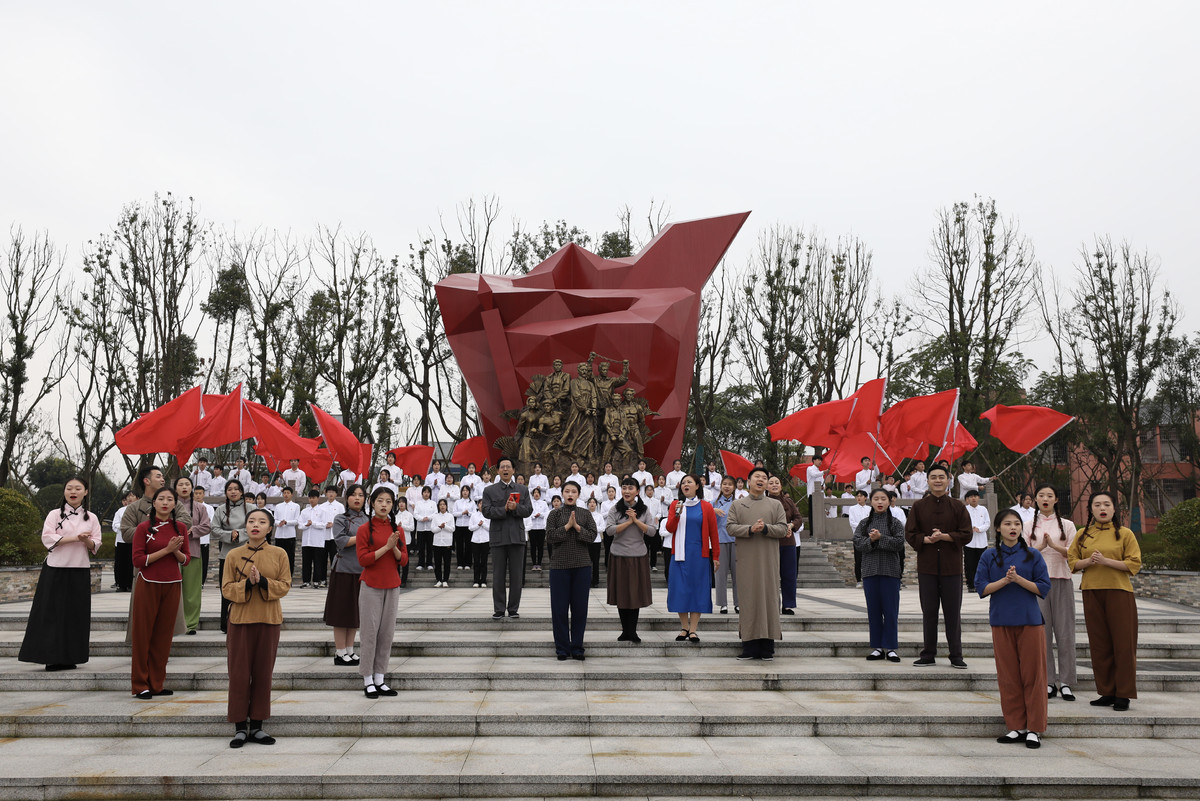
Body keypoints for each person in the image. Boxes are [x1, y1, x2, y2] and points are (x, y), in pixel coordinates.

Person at [976, 508, 1051, 749]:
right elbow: (982, 588)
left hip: (1030, 621)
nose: (1012, 528)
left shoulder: (1032, 555)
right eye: (1007, 524)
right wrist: (1005, 581)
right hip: (1001, 621)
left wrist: (1018, 580)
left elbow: (1043, 588)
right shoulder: (989, 556)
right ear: (998, 528)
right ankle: (1015, 726)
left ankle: (1034, 728)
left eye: (1017, 524)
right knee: (1008, 677)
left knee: (1034, 676)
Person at [223, 507, 291, 748]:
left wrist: (262, 581)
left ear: (270, 528)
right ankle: (240, 726)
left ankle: (259, 726)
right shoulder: (233, 555)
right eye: (251, 520)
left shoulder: (279, 553)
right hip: (240, 620)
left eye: (262, 522)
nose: (256, 525)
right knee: (239, 674)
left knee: (263, 673)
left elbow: (285, 585)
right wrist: (247, 586)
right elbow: (226, 589)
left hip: (268, 619)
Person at [19, 477, 102, 671]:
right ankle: (51, 657)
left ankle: (70, 656)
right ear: (64, 491)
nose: (73, 491)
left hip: (79, 570)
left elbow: (96, 544)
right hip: (55, 569)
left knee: (75, 615)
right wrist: (75, 538)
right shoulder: (55, 514)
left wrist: (86, 541)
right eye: (69, 488)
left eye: (78, 488)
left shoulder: (92, 518)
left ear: (86, 492)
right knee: (51, 614)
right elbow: (47, 537)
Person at [1068, 491, 1141, 711]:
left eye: (1106, 504)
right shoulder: (1083, 534)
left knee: (1123, 644)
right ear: (1090, 509)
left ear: (1114, 509)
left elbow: (1134, 565)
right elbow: (1072, 561)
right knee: (1099, 644)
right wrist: (1088, 561)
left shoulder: (1125, 534)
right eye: (1097, 504)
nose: (1102, 508)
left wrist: (1106, 561)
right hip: (1092, 592)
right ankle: (1107, 691)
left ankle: (1123, 694)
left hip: (1119, 592)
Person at [905, 464, 972, 668]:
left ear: (948, 480)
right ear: (927, 480)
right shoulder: (918, 506)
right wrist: (926, 540)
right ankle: (928, 653)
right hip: (927, 567)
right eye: (933, 477)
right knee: (929, 612)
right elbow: (910, 533)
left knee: (953, 612)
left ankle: (956, 654)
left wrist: (946, 537)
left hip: (952, 568)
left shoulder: (958, 506)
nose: (937, 480)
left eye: (941, 477)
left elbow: (967, 534)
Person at [130, 487, 190, 698]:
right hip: (148, 583)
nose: (165, 502)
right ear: (153, 503)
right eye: (161, 499)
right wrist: (167, 550)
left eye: (170, 499)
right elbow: (138, 561)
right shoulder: (143, 528)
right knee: (143, 635)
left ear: (175, 504)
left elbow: (186, 559)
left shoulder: (180, 527)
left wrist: (176, 552)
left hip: (173, 583)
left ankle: (156, 683)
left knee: (163, 637)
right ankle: (140, 685)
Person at [726, 467, 788, 660]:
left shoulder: (775, 505)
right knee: (749, 600)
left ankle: (768, 647)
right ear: (748, 481)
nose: (761, 480)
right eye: (757, 477)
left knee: (769, 599)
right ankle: (750, 647)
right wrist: (750, 529)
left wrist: (766, 528)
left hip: (769, 560)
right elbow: (730, 527)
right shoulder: (738, 504)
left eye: (764, 478)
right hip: (746, 560)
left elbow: (783, 528)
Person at [1026, 483, 1078, 702]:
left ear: (1056, 500)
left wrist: (1054, 546)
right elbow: (1024, 554)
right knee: (1042, 634)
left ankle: (1066, 682)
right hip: (1037, 584)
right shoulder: (1028, 524)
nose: (1045, 498)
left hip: (1062, 580)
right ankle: (1048, 681)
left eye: (1050, 495)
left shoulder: (1067, 524)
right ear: (1036, 499)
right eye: (1041, 495)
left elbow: (1074, 553)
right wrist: (1040, 548)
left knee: (1065, 632)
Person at [356, 487, 407, 698]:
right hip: (371, 585)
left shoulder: (397, 530)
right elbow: (363, 560)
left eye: (388, 501)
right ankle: (367, 678)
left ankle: (380, 677)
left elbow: (403, 560)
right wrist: (386, 547)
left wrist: (393, 546)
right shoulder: (364, 530)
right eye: (380, 501)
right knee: (370, 632)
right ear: (372, 502)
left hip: (392, 585)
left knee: (386, 633)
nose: (384, 505)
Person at [664, 475, 720, 643]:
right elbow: (669, 528)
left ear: (697, 486)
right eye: (684, 482)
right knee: (681, 589)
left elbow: (713, 533)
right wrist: (676, 514)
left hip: (699, 555)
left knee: (697, 590)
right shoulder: (676, 504)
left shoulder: (706, 506)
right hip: (679, 554)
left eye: (689, 482)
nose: (685, 484)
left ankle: (693, 629)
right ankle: (684, 627)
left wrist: (715, 556)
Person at [853, 489, 906, 663]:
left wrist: (881, 537)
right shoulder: (864, 523)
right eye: (876, 499)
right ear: (871, 502)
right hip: (870, 571)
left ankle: (891, 647)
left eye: (883, 498)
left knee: (890, 611)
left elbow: (899, 544)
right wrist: (872, 541)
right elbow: (858, 543)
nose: (880, 502)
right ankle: (877, 647)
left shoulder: (896, 523)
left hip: (890, 572)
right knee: (874, 611)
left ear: (889, 501)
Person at [546, 481, 596, 660]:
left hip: (582, 566)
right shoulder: (554, 514)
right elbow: (550, 537)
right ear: (562, 493)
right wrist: (567, 527)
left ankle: (576, 647)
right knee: (559, 609)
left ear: (578, 494)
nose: (570, 494)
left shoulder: (585, 514)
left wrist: (577, 527)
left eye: (573, 491)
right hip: (559, 567)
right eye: (567, 491)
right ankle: (561, 648)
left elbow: (592, 536)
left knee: (579, 609)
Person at [482, 456, 532, 618]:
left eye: (508, 467)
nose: (505, 469)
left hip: (517, 538)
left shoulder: (522, 490)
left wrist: (516, 507)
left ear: (513, 470)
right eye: (502, 467)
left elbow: (528, 510)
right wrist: (503, 509)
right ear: (497, 471)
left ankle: (513, 609)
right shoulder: (489, 490)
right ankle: (498, 609)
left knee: (517, 576)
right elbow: (486, 511)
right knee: (498, 576)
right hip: (498, 538)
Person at [606, 476, 654, 643]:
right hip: (619, 555)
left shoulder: (645, 509)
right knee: (622, 593)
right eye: (624, 488)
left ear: (637, 491)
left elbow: (652, 531)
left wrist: (636, 521)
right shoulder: (615, 509)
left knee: (634, 593)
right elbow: (610, 531)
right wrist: (628, 522)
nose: (626, 491)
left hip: (638, 556)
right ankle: (625, 631)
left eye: (630, 488)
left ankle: (632, 631)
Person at [325, 484, 367, 667]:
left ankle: (350, 649)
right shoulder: (340, 518)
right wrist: (364, 536)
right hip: (343, 570)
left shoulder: (368, 519)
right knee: (341, 612)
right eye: (353, 495)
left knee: (354, 613)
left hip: (362, 570)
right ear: (347, 498)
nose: (357, 498)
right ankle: (339, 651)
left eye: (361, 495)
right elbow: (341, 541)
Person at [211, 479, 251, 633]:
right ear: (226, 492)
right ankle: (226, 623)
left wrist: (239, 534)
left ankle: (247, 620)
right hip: (226, 555)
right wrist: (229, 535)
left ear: (241, 491)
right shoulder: (220, 509)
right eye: (230, 489)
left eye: (236, 489)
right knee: (227, 590)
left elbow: (256, 526)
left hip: (248, 553)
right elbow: (214, 529)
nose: (233, 492)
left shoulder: (251, 508)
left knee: (247, 587)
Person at [175, 476, 210, 635]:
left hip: (193, 552)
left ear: (192, 488)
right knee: (173, 590)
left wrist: (192, 531)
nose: (184, 487)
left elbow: (206, 526)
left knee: (192, 591)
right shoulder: (169, 505)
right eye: (180, 484)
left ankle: (190, 624)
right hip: (171, 554)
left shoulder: (199, 507)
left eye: (187, 484)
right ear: (175, 488)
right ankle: (173, 622)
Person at [767, 475, 802, 616]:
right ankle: (772, 604)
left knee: (789, 575)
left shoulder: (788, 502)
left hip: (788, 543)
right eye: (771, 483)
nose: (774, 485)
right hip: (770, 543)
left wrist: (792, 525)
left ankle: (788, 605)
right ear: (766, 486)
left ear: (781, 486)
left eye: (777, 482)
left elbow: (798, 518)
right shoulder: (764, 502)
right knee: (771, 576)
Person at [713, 477, 739, 615]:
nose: (727, 487)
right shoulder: (714, 503)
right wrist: (713, 511)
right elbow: (705, 517)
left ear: (734, 487)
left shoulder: (738, 503)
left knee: (738, 574)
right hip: (720, 540)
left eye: (730, 484)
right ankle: (722, 604)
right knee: (720, 574)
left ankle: (738, 603)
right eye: (724, 484)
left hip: (736, 541)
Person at [964, 489, 991, 593]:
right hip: (969, 542)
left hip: (981, 541)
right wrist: (969, 528)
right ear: (967, 499)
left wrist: (979, 529)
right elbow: (962, 523)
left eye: (975, 496)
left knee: (982, 564)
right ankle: (970, 585)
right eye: (971, 497)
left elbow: (987, 523)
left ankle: (982, 583)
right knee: (969, 564)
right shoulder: (965, 509)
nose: (973, 498)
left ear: (979, 498)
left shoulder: (983, 509)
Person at [299, 489, 327, 588]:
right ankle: (306, 581)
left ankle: (316, 581)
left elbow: (324, 524)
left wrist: (313, 523)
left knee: (317, 562)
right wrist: (306, 525)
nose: (312, 500)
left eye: (314, 498)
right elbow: (300, 525)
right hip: (306, 541)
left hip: (317, 541)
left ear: (318, 498)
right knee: (306, 562)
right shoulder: (304, 511)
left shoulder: (322, 511)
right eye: (310, 498)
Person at [111, 490, 137, 592]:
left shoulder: (138, 510)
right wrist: (124, 528)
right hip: (121, 540)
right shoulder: (120, 511)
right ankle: (121, 584)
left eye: (133, 496)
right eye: (128, 496)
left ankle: (130, 584)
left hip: (134, 540)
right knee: (120, 563)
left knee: (131, 563)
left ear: (137, 498)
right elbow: (115, 524)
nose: (130, 498)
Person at [273, 486, 301, 578]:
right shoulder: (278, 506)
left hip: (290, 535)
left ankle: (289, 577)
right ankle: (278, 576)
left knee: (290, 557)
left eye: (288, 493)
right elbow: (274, 520)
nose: (286, 495)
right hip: (279, 535)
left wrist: (287, 522)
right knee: (278, 557)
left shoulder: (296, 506)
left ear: (291, 495)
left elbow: (297, 521)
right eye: (284, 493)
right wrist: (279, 523)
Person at [845, 490, 871, 588]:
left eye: (861, 496)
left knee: (868, 559)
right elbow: (852, 522)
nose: (859, 498)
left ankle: (867, 579)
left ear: (865, 497)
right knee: (858, 559)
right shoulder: (852, 509)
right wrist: (863, 526)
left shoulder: (869, 509)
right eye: (857, 496)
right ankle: (859, 580)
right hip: (858, 537)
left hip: (868, 537)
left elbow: (871, 521)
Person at [431, 498, 455, 586]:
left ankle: (445, 580)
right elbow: (433, 529)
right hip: (437, 542)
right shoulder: (435, 516)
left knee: (447, 563)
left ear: (446, 506)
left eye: (444, 504)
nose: (442, 506)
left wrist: (445, 526)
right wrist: (440, 527)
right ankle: (438, 580)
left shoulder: (450, 516)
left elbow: (452, 529)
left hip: (447, 542)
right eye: (440, 504)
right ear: (438, 506)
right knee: (437, 563)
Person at [412, 486, 436, 572]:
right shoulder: (418, 503)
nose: (426, 494)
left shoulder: (433, 503)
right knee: (421, 547)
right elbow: (415, 514)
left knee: (430, 547)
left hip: (430, 528)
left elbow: (435, 513)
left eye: (428, 492)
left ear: (430, 494)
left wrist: (428, 518)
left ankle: (429, 563)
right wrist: (422, 518)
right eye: (425, 492)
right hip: (421, 528)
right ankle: (420, 563)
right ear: (422, 493)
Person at [453, 485, 475, 572]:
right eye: (463, 490)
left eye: (466, 490)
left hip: (468, 525)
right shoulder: (457, 502)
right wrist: (462, 513)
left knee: (468, 545)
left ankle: (468, 563)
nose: (465, 492)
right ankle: (460, 563)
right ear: (461, 492)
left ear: (469, 492)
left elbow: (474, 513)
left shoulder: (472, 502)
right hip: (459, 525)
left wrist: (468, 513)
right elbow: (454, 513)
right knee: (459, 545)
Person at [469, 500, 490, 588]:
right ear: (478, 505)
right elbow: (470, 528)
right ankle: (476, 580)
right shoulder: (474, 515)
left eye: (483, 503)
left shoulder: (488, 515)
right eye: (480, 503)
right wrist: (478, 525)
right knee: (476, 561)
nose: (482, 505)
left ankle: (484, 580)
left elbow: (490, 528)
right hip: (476, 541)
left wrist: (483, 524)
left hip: (485, 540)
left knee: (484, 562)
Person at [527, 487, 549, 571]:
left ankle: (539, 563)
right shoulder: (530, 503)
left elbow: (546, 513)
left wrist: (540, 515)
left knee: (540, 546)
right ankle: (534, 564)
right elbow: (528, 513)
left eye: (537, 492)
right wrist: (533, 516)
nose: (536, 494)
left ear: (540, 494)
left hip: (541, 527)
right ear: (532, 494)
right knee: (533, 546)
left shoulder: (543, 503)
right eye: (535, 492)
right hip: (532, 527)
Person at [805, 454, 827, 536]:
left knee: (819, 514)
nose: (820, 462)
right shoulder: (810, 469)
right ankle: (812, 533)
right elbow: (814, 475)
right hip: (812, 494)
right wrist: (823, 472)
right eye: (818, 460)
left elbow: (823, 485)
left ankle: (819, 532)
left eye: (821, 460)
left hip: (820, 496)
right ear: (814, 460)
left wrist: (822, 486)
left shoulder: (820, 472)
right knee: (812, 514)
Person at [395, 498, 415, 587]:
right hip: (396, 541)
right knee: (396, 562)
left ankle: (404, 581)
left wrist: (402, 526)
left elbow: (412, 528)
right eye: (400, 502)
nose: (401, 504)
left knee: (405, 561)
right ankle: (397, 579)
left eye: (403, 502)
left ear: (406, 504)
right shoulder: (394, 515)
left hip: (406, 540)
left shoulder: (410, 515)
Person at [587, 497, 605, 586]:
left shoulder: (599, 516)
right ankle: (587, 580)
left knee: (596, 562)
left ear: (596, 505)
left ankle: (595, 581)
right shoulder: (585, 515)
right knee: (587, 562)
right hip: (587, 541)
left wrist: (593, 528)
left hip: (597, 541)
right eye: (590, 502)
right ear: (588, 504)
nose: (592, 504)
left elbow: (603, 528)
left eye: (594, 502)